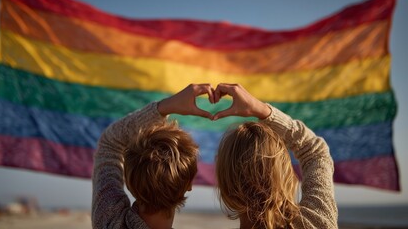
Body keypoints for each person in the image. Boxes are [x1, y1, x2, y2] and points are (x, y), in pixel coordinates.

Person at [213, 83, 338, 228]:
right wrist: (262, 110)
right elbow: (315, 151)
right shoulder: (315, 221)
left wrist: (178, 104)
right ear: (285, 174)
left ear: (224, 181)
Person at [92, 84, 216, 229]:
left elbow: (110, 142)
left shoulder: (109, 220)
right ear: (189, 184)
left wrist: (165, 107)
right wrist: (250, 108)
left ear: (130, 182)